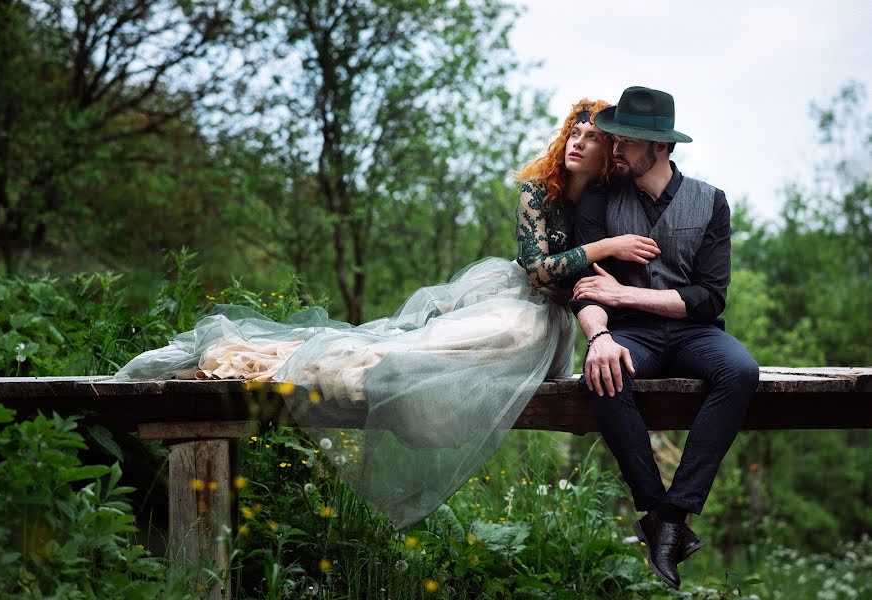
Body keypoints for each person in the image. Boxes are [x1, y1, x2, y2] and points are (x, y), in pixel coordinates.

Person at [114, 98, 655, 530]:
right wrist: (606, 249)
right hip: (519, 299)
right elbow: (538, 270)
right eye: (575, 134)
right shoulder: (538, 192)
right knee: (443, 338)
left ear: (610, 152)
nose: (579, 144)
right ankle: (346, 361)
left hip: (554, 323)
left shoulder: (607, 203)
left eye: (593, 139)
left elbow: (602, 279)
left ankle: (373, 364)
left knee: (501, 346)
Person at [570, 86, 759, 590]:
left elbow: (709, 298)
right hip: (631, 337)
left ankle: (676, 511)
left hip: (694, 334)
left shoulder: (710, 201)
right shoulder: (600, 200)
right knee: (603, 375)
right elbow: (586, 290)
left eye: (627, 141)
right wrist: (599, 338)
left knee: (739, 370)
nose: (615, 149)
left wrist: (625, 297)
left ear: (660, 147)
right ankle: (659, 512)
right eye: (615, 139)